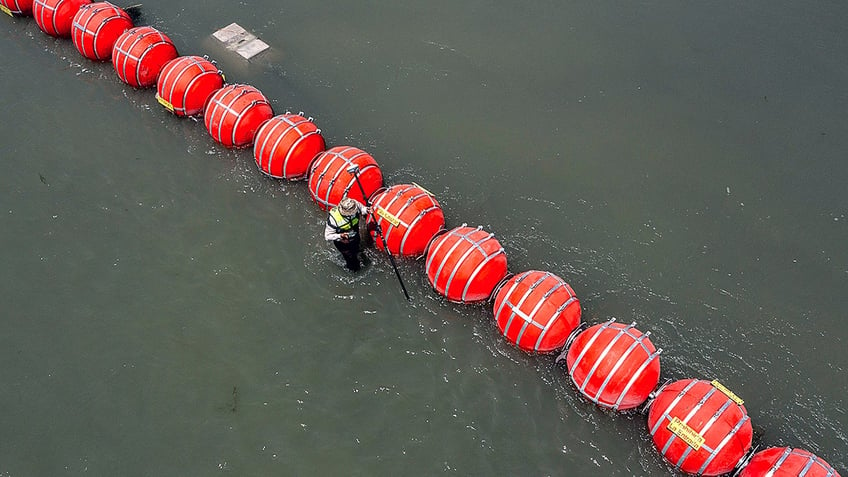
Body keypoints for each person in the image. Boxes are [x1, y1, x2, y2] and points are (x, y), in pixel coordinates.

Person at [325, 197, 371, 271]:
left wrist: (366, 210)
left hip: (355, 235)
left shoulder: (354, 204)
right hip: (343, 243)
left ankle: (356, 254)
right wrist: (340, 236)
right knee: (351, 261)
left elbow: (362, 209)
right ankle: (353, 270)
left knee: (357, 250)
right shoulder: (333, 219)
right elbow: (327, 236)